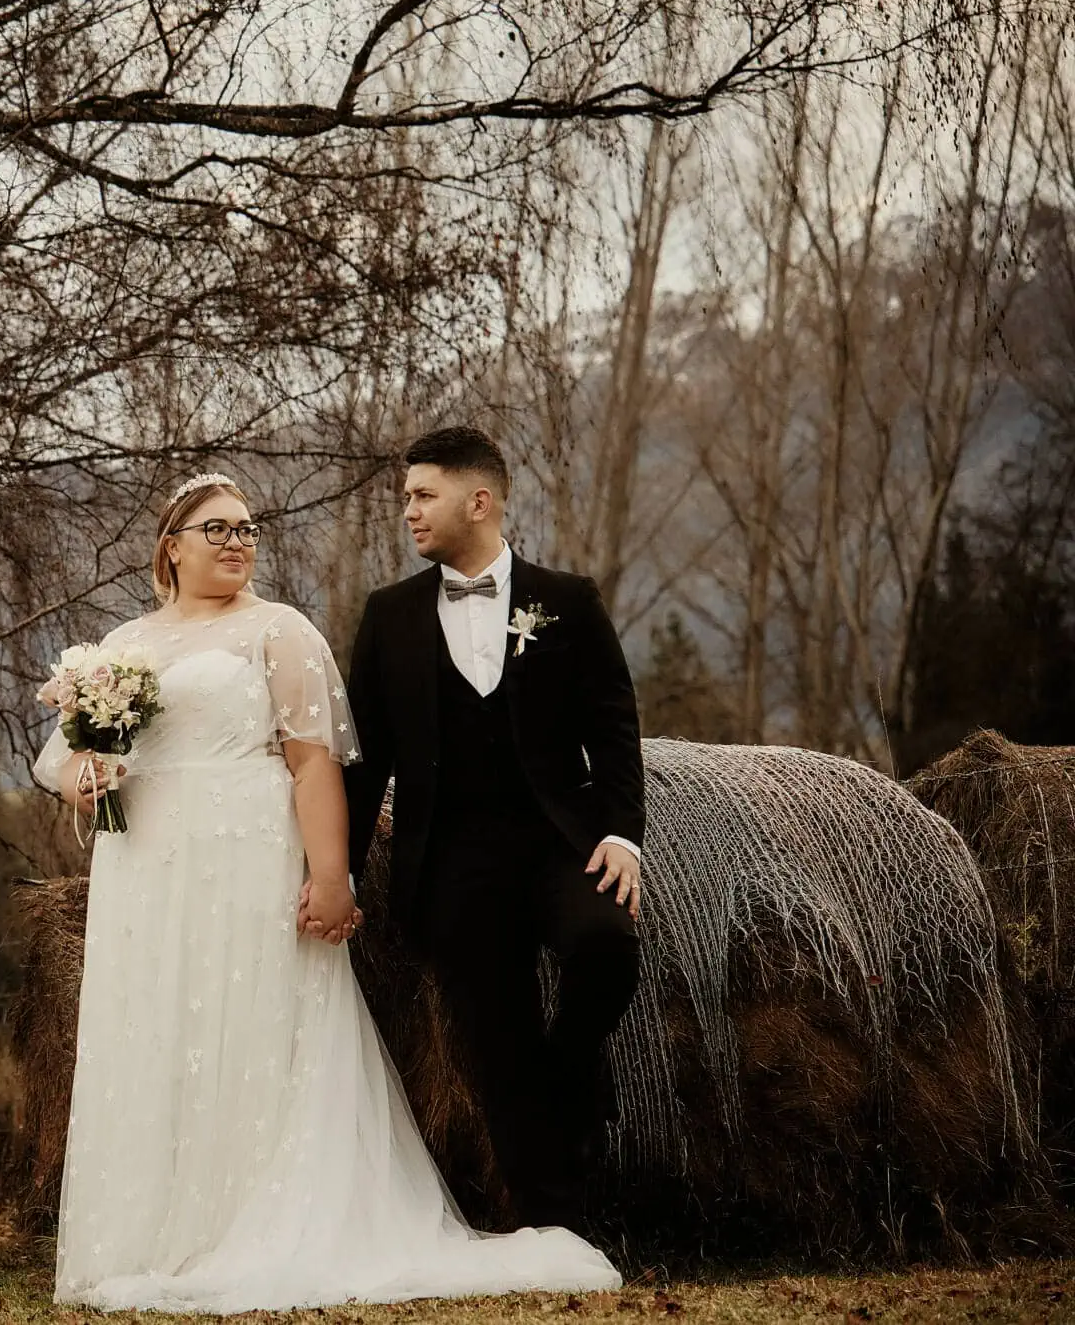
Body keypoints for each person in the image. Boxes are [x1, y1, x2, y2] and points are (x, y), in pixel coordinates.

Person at [34, 471, 620, 1313]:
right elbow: (64, 760)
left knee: (255, 1026)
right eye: (217, 530)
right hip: (149, 867)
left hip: (246, 851)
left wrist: (331, 875)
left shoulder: (280, 630)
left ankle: (258, 1220)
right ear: (171, 547)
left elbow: (313, 762)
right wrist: (86, 777)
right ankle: (161, 1231)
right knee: (161, 1024)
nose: (238, 542)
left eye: (247, 529)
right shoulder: (123, 645)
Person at [343, 425, 644, 1234]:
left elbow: (614, 726)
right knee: (498, 1044)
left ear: (479, 501)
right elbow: (363, 762)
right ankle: (557, 1230)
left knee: (607, 948)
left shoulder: (568, 601)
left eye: (422, 494)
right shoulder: (388, 617)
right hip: (450, 861)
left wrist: (622, 836)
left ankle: (571, 1066)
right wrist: (336, 871)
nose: (407, 510)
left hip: (561, 842)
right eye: (406, 496)